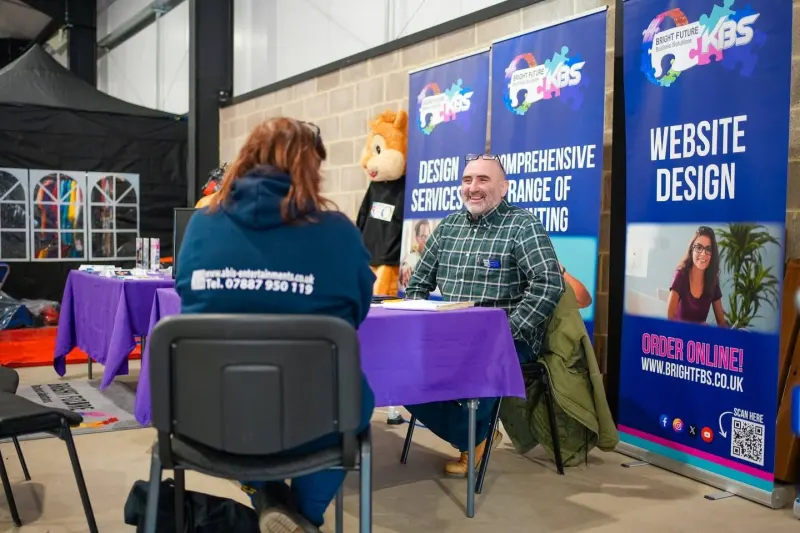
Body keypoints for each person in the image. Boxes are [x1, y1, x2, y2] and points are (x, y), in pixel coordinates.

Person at [175, 117, 376, 533]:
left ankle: (268, 498)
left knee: (247, 404)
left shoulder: (202, 225)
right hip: (313, 420)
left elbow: (187, 294)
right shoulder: (337, 233)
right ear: (310, 166)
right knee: (354, 399)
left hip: (209, 417)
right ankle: (304, 517)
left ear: (245, 158)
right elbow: (356, 312)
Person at [403, 153, 565, 476]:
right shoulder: (448, 228)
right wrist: (417, 326)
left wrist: (506, 330)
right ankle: (474, 435)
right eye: (467, 180)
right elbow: (418, 284)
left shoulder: (522, 225)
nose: (473, 187)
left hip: (510, 336)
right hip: (453, 333)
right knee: (400, 368)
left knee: (480, 360)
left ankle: (474, 437)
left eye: (483, 179)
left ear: (504, 188)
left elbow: (549, 283)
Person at [667, 225, 727, 327]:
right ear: (692, 249)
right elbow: (670, 317)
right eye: (698, 247)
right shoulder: (681, 275)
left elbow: (721, 321)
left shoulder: (713, 280)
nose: (703, 254)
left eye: (708, 249)